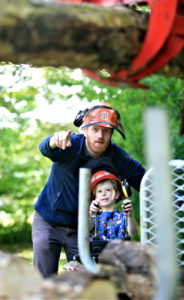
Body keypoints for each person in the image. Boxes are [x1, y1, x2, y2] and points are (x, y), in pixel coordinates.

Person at [32, 102, 146, 278]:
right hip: (49, 221)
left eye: (106, 130)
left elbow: (145, 181)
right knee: (42, 279)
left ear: (112, 133)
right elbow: (44, 148)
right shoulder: (70, 145)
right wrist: (54, 141)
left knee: (88, 279)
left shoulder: (117, 156)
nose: (100, 135)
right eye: (95, 129)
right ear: (85, 130)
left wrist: (179, 200)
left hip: (83, 228)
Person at [87, 159, 138, 240]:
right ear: (95, 197)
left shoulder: (123, 216)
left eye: (108, 190)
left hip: (119, 252)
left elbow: (133, 233)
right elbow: (86, 230)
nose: (103, 194)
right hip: (99, 252)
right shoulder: (94, 217)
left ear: (117, 194)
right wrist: (92, 214)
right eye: (99, 191)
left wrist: (130, 216)